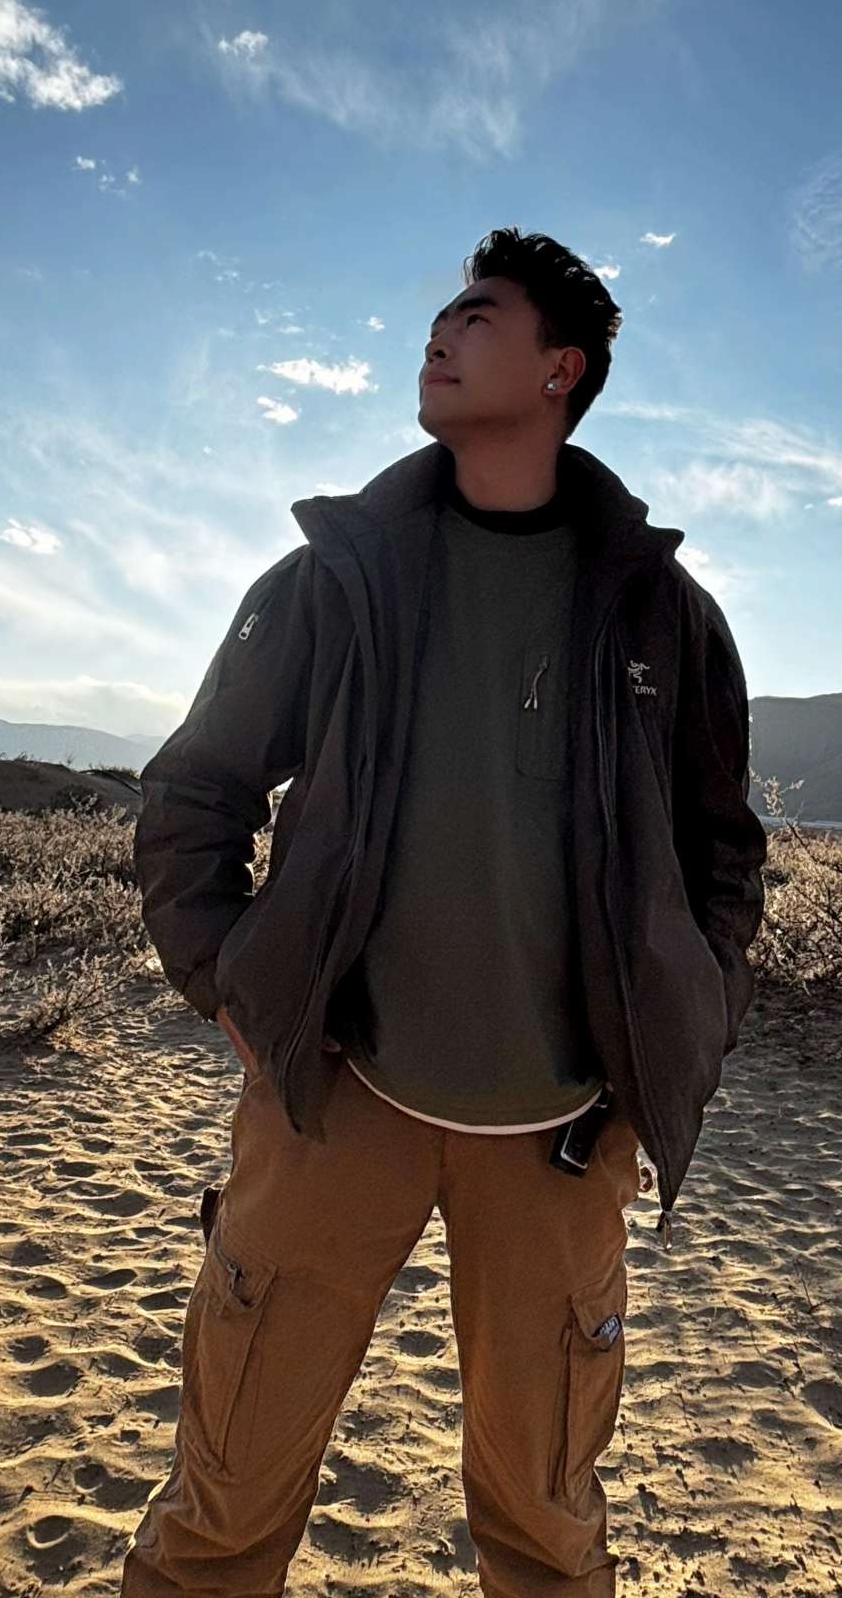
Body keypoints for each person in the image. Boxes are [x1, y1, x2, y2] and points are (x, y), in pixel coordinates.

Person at [119, 227, 767, 1596]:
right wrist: (233, 985)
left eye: (478, 315)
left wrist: (682, 1033)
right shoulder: (336, 580)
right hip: (333, 1104)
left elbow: (724, 852)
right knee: (224, 1504)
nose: (439, 331)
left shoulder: (662, 615)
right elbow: (195, 791)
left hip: (564, 1137)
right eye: (441, 313)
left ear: (559, 370)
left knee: (545, 1531)